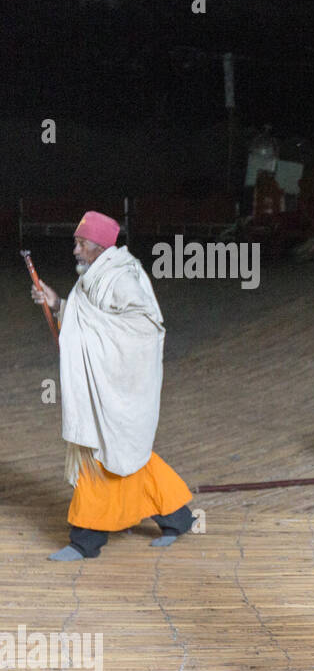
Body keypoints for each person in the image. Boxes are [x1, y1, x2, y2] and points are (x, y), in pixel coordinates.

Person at [29, 211, 193, 560]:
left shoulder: (123, 279)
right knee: (128, 455)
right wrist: (57, 304)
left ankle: (85, 542)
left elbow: (145, 329)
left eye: (80, 243)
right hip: (101, 380)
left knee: (99, 453)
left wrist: (75, 318)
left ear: (99, 246)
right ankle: (179, 518)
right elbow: (85, 317)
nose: (74, 249)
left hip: (120, 383)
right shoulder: (95, 274)